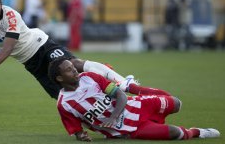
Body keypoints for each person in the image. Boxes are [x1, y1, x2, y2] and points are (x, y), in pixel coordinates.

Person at [0, 0, 129, 100]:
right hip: (30, 62)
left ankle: (122, 82)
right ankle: (105, 105)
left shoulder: (10, 15)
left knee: (75, 64)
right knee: (62, 95)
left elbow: (8, 48)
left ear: (0, 5)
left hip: (41, 45)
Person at [48, 57, 220, 141]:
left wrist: (113, 116)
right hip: (129, 130)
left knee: (176, 103)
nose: (75, 71)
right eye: (69, 70)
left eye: (73, 67)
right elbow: (77, 130)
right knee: (177, 134)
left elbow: (120, 96)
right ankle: (198, 132)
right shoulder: (64, 104)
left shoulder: (90, 77)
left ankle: (131, 86)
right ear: (60, 78)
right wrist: (82, 136)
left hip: (136, 105)